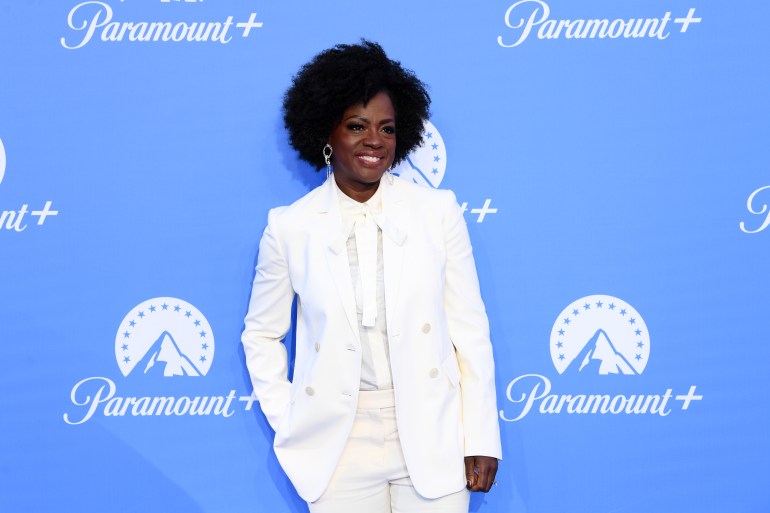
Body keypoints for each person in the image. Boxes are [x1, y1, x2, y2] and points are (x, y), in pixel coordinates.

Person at [242, 40, 502, 513]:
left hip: (431, 432)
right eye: (357, 126)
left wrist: (481, 434)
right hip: (337, 444)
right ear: (326, 133)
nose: (374, 141)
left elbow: (470, 330)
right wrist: (292, 418)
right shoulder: (289, 227)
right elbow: (261, 334)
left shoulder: (437, 212)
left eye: (386, 128)